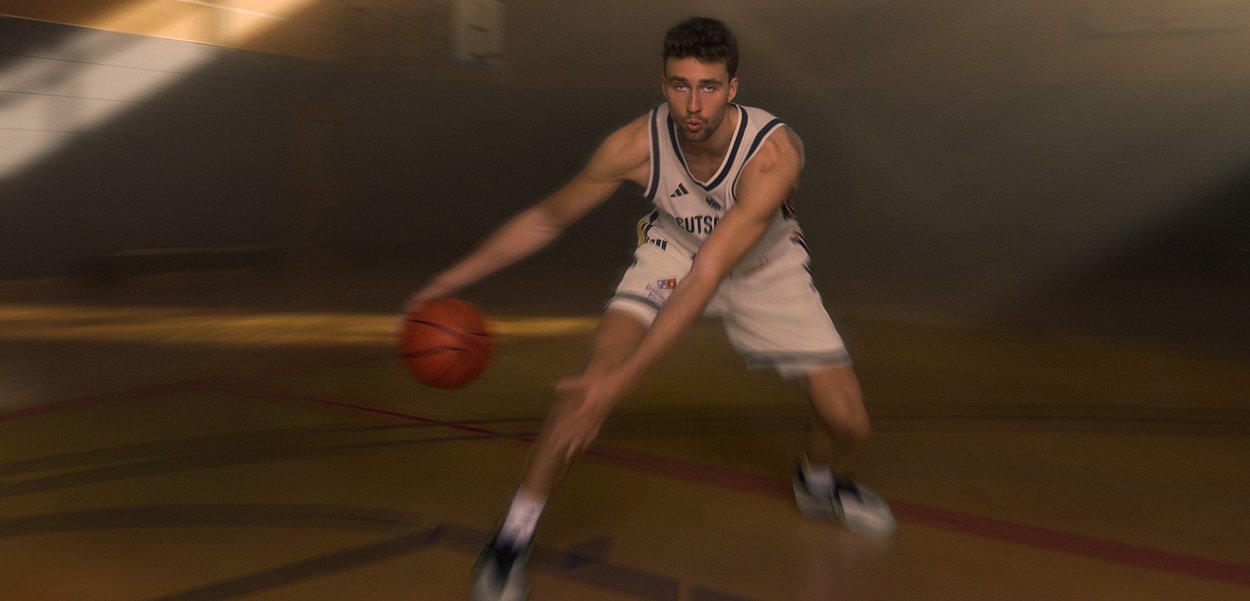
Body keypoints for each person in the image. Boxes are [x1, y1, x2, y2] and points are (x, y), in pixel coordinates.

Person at [407, 17, 895, 601]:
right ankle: (512, 537)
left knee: (849, 424)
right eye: (679, 84)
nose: (693, 103)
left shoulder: (773, 154)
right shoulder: (633, 146)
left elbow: (712, 273)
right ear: (663, 84)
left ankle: (816, 483)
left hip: (765, 269)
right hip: (673, 255)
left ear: (734, 87)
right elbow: (546, 218)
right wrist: (446, 281)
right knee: (590, 383)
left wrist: (629, 383)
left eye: (709, 86)